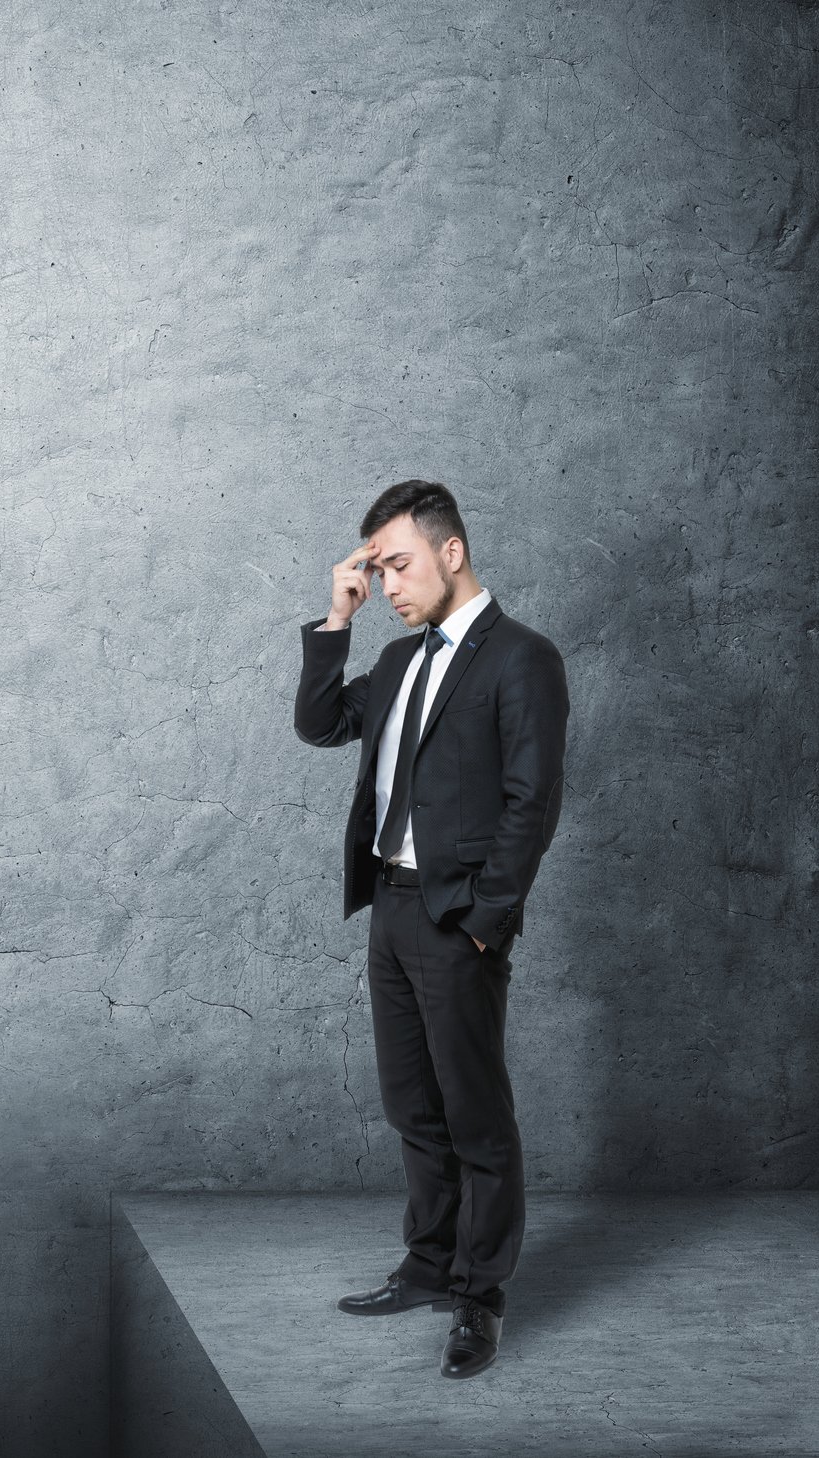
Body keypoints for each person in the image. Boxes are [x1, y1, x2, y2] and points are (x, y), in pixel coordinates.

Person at [293, 478, 569, 1379]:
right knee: (413, 1106)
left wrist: (488, 924)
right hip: (392, 908)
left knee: (475, 1118)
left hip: (459, 922)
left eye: (398, 564)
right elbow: (320, 723)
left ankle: (479, 1298)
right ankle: (427, 1263)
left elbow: (532, 802)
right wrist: (337, 618)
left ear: (452, 551)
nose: (391, 585)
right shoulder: (404, 662)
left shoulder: (522, 658)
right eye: (378, 568)